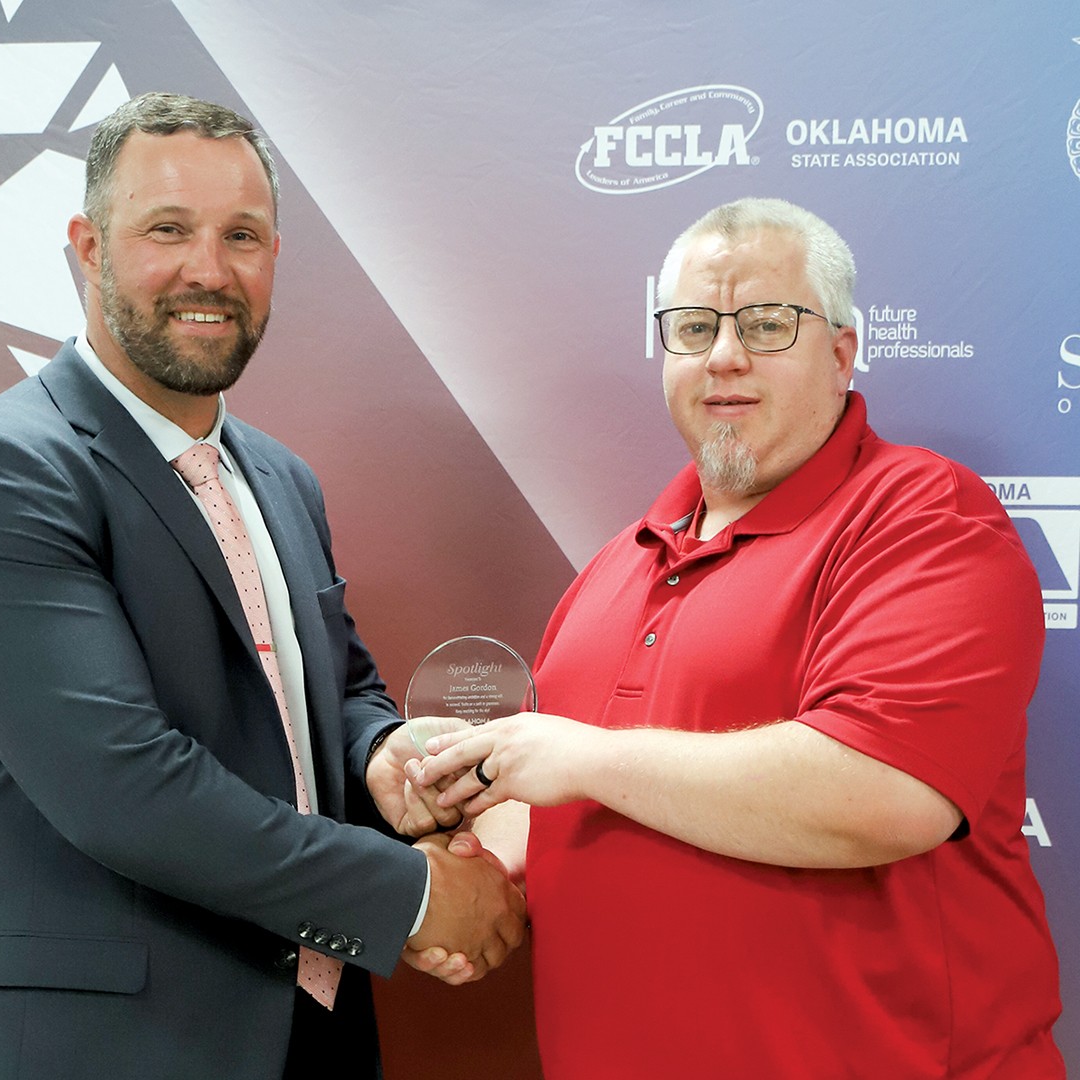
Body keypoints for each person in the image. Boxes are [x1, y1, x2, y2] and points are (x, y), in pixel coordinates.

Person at [0, 92, 523, 1080]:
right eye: (167, 230)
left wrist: (383, 760)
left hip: (303, 1037)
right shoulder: (1, 471)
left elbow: (339, 694)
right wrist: (410, 894)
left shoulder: (279, 478)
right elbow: (125, 788)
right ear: (89, 248)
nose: (208, 269)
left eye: (243, 235)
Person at [414, 198, 1065, 1078]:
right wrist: (463, 880)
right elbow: (564, 806)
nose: (724, 355)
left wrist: (582, 757)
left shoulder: (922, 517)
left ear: (841, 352)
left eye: (766, 323)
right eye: (692, 327)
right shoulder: (615, 567)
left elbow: (890, 791)